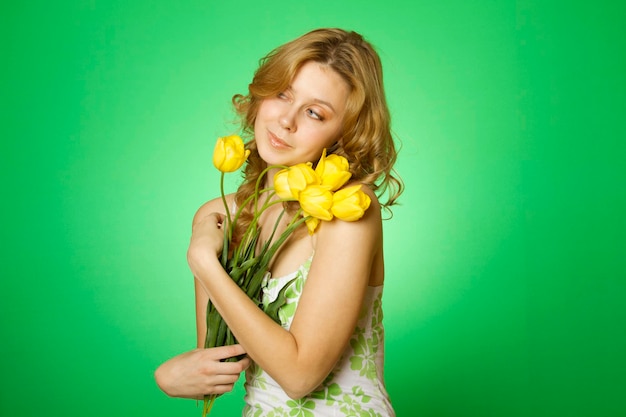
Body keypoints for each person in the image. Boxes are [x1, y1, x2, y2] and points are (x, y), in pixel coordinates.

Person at [155, 28, 403, 416]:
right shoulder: (218, 217)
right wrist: (172, 378)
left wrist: (204, 263)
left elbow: (301, 375)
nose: (286, 120)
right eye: (283, 94)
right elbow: (220, 362)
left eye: (314, 112)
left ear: (343, 134)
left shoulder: (348, 209)